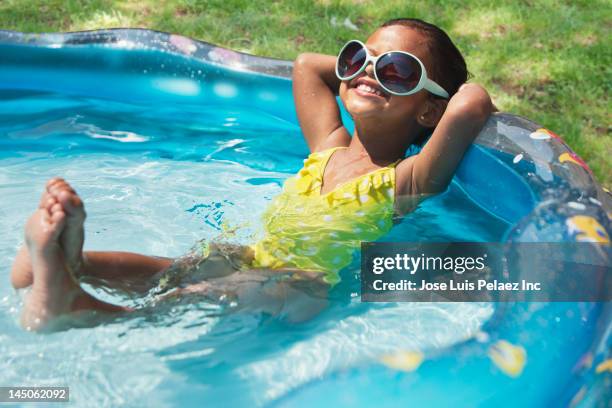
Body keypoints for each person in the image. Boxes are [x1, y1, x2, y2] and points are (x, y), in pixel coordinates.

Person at [11, 18, 493, 331]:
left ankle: (85, 312)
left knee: (215, 289)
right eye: (358, 60)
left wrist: (422, 89)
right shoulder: (328, 147)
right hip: (254, 255)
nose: (368, 73)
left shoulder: (405, 180)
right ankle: (70, 261)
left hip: (302, 285)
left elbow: (471, 101)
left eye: (398, 72)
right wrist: (372, 71)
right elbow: (306, 67)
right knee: (188, 264)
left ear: (430, 110)